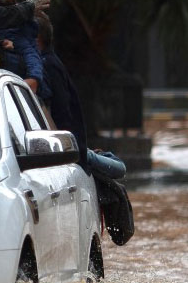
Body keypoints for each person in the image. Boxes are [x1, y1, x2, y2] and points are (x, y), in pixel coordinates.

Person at [35, 12, 126, 179]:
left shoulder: (47, 66)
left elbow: (61, 111)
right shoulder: (48, 62)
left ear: (36, 39)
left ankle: (92, 155)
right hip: (74, 146)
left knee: (119, 168)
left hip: (73, 149)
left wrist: (68, 149)